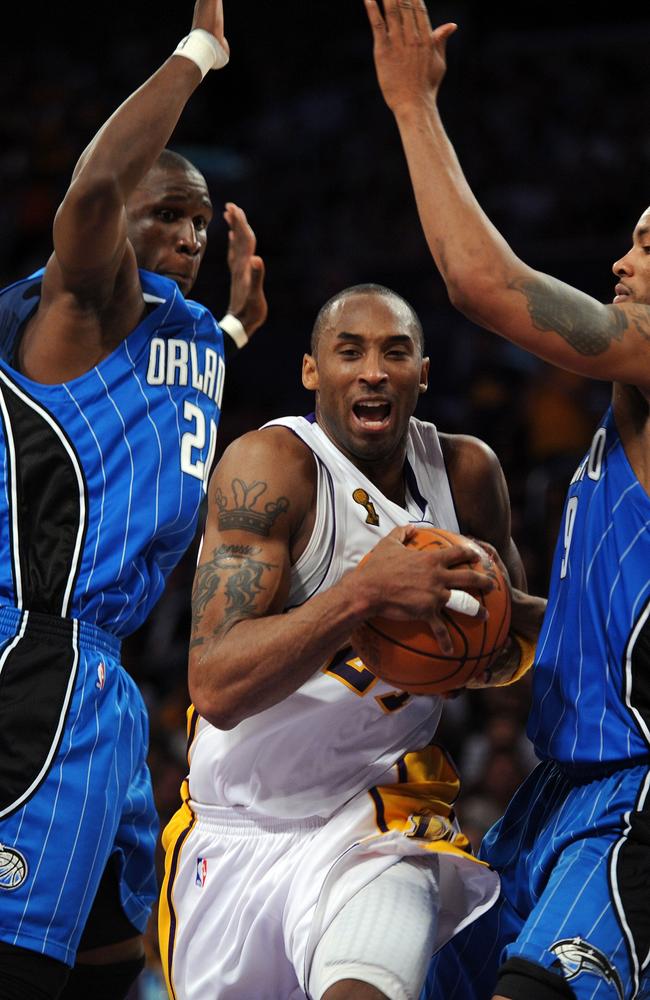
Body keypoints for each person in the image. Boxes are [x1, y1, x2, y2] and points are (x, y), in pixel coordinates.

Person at [364, 2, 650, 998]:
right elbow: (599, 621)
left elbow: (482, 284)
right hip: (557, 788)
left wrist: (410, 107)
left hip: (633, 796)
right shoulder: (614, 429)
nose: (620, 262)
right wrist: (483, 608)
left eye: (648, 246)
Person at [159, 282, 545, 1000]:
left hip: (379, 820)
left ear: (422, 375)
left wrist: (503, 620)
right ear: (312, 371)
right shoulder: (271, 467)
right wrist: (363, 596)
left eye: (396, 352)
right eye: (350, 351)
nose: (373, 370)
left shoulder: (465, 475)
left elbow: (504, 661)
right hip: (234, 827)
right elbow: (214, 685)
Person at [0, 2, 267, 998]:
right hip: (34, 657)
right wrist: (199, 55)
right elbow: (97, 188)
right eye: (168, 214)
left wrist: (237, 329)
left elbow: (154, 409)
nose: (190, 234)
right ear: (115, 230)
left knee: (116, 956)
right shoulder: (78, 305)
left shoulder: (185, 332)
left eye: (201, 221)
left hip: (105, 684)